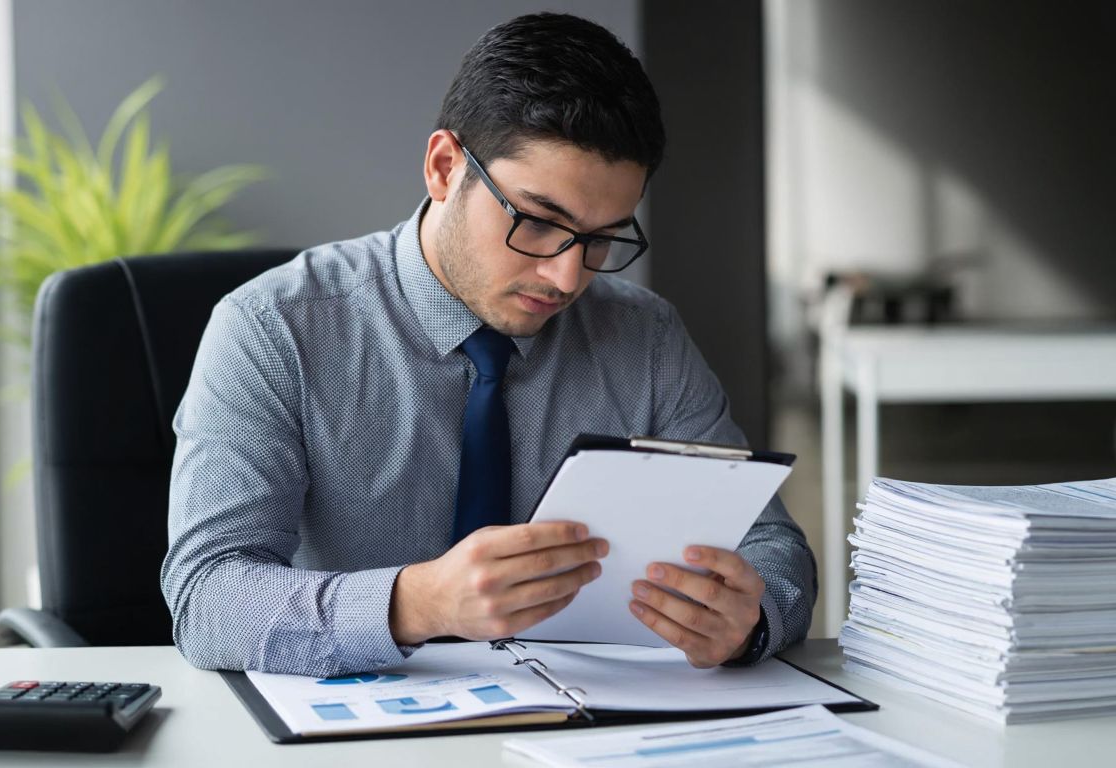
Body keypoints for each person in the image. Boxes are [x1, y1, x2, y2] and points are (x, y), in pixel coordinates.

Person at [161, 12, 815, 678]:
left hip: (594, 724)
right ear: (445, 168)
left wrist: (748, 621)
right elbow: (206, 596)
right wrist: (416, 603)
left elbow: (772, 548)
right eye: (537, 222)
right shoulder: (273, 329)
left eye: (601, 239)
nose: (567, 276)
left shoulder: (645, 338)